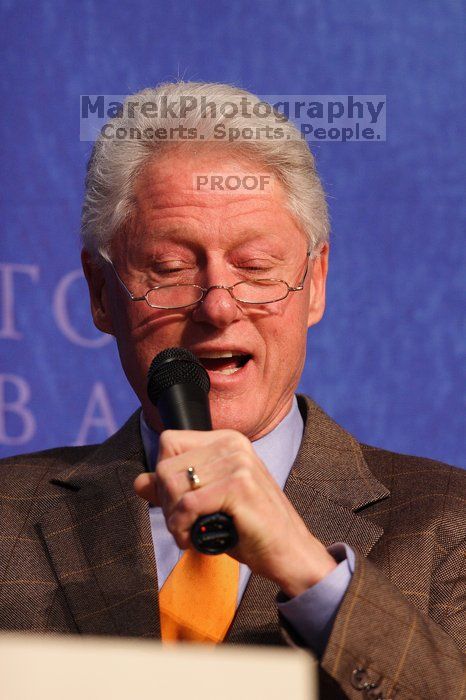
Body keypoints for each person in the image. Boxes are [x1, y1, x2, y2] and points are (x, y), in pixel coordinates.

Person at [0, 82, 464, 699]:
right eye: (168, 269)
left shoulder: (448, 522)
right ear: (98, 292)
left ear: (315, 282)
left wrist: (311, 573)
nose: (218, 306)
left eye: (256, 266)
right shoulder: (9, 516)